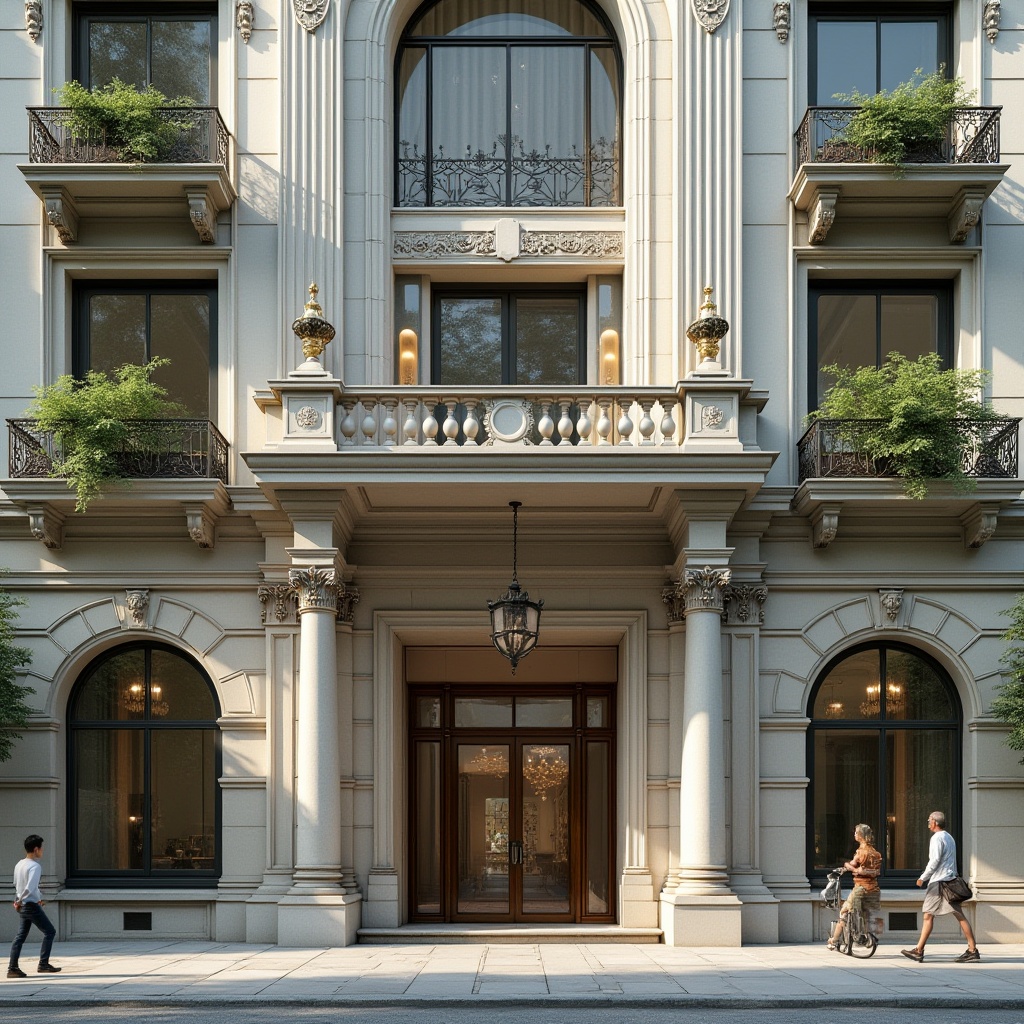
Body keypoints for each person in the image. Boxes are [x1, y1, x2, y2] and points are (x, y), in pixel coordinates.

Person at [901, 811, 980, 963]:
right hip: (950, 881)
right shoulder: (949, 837)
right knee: (958, 915)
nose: (928, 822)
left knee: (928, 915)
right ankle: (972, 950)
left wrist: (923, 877)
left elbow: (935, 860)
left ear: (935, 822)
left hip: (939, 882)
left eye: (929, 820)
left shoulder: (937, 838)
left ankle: (919, 950)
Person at [7, 834, 61, 978]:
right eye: (42, 848)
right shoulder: (35, 866)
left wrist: (18, 900)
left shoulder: (19, 864)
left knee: (20, 936)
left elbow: (17, 886)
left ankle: (12, 968)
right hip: (29, 905)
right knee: (50, 932)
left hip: (25, 904)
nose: (43, 851)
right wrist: (22, 900)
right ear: (36, 849)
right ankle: (43, 964)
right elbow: (30, 888)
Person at [827, 823, 882, 951]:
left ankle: (835, 941)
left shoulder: (860, 852)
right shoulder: (875, 853)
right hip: (873, 888)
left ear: (861, 836)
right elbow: (877, 872)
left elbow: (852, 866)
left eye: (856, 833)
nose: (855, 835)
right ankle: (864, 935)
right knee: (864, 913)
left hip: (860, 888)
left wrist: (847, 865)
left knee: (844, 912)